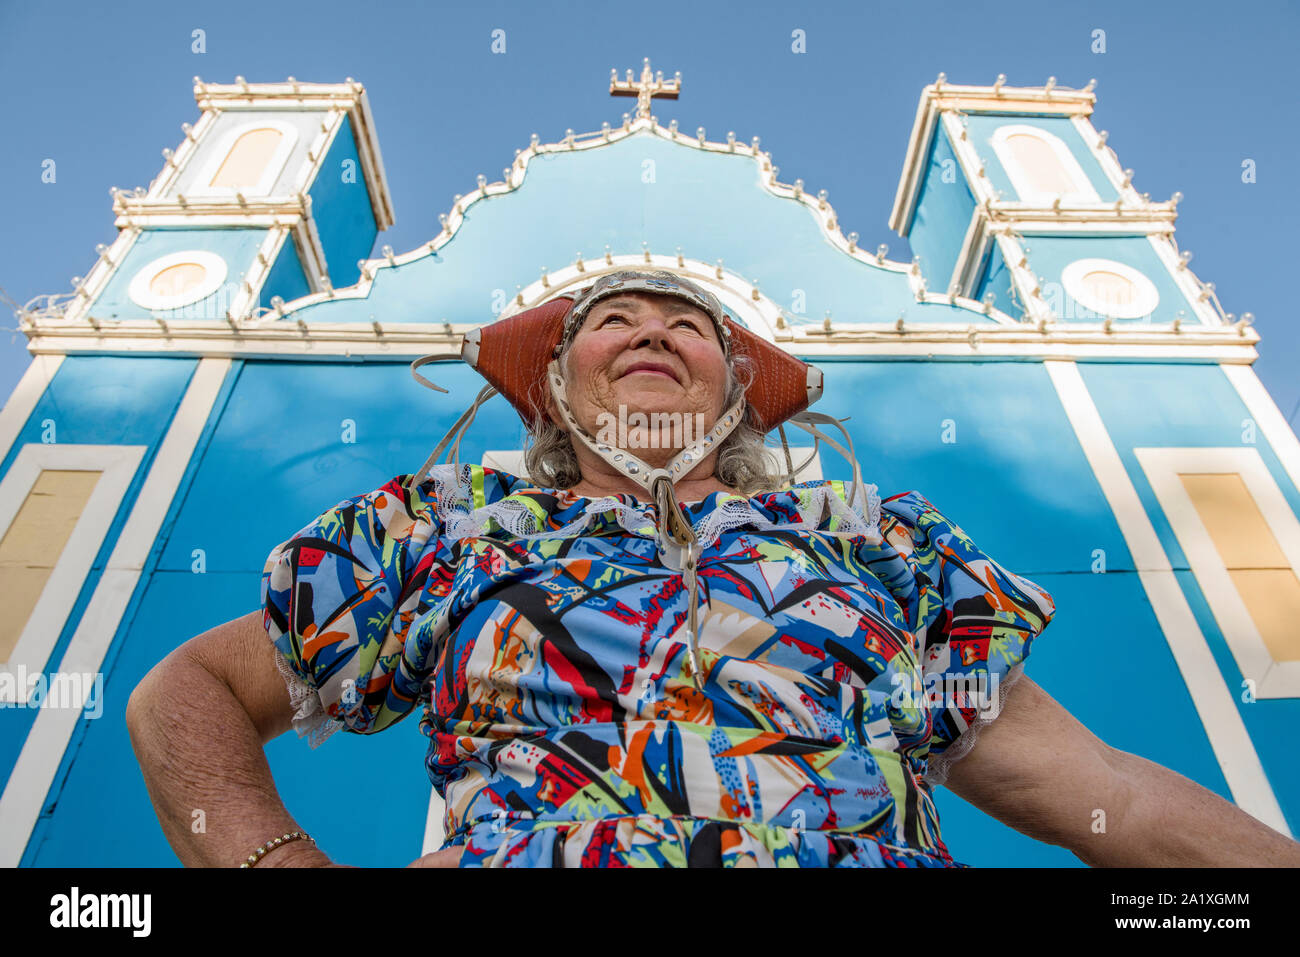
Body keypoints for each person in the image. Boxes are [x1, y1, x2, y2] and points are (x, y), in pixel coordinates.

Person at [128, 269, 1300, 868]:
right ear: (555, 386)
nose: (649, 331)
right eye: (613, 319)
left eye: (687, 325)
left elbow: (1103, 791)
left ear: (738, 388)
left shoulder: (874, 547)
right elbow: (188, 690)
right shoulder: (442, 534)